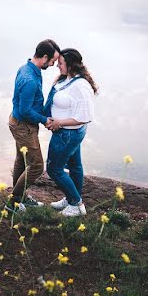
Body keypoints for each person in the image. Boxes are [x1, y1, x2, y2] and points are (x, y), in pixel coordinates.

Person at [8, 39, 60, 212]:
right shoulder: (29, 78)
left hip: (20, 123)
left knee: (22, 161)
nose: (53, 65)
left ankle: (19, 197)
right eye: (52, 61)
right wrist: (45, 120)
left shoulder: (28, 68)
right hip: (23, 125)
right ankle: (14, 203)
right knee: (37, 166)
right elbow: (25, 111)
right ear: (44, 57)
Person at [44, 48, 97, 217]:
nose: (57, 66)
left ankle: (76, 204)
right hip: (66, 133)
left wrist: (59, 122)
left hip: (67, 134)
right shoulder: (67, 79)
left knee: (54, 169)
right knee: (75, 166)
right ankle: (71, 198)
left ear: (71, 65)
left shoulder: (81, 86)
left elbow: (84, 117)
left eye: (60, 63)